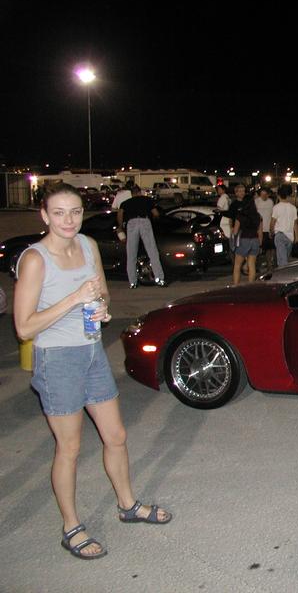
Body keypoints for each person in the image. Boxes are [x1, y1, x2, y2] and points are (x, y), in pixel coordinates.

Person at [13, 184, 171, 561]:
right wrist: (74, 299)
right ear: (44, 215)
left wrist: (101, 307)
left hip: (92, 352)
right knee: (69, 447)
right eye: (59, 212)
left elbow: (102, 294)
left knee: (116, 436)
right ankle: (71, 527)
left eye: (75, 211)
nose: (68, 220)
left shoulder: (87, 246)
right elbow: (24, 327)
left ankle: (127, 504)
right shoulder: (35, 259)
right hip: (57, 360)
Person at [118, 185, 166, 288]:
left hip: (131, 223)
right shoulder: (147, 200)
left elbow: (120, 214)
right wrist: (156, 219)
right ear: (140, 192)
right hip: (144, 221)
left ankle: (133, 282)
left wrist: (120, 227)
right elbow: (156, 213)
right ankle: (159, 279)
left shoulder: (125, 203)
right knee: (152, 252)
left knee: (131, 254)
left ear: (132, 194)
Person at [231, 195, 263, 284]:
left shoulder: (240, 216)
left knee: (237, 265)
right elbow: (260, 232)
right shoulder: (258, 216)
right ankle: (250, 286)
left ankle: (236, 286)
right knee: (251, 265)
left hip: (244, 240)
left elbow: (235, 231)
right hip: (255, 240)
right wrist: (260, 245)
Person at [270, 187, 298, 267]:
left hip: (280, 235)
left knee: (282, 260)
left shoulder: (276, 207)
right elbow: (295, 223)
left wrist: (271, 232)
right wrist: (297, 236)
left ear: (278, 195)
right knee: (285, 258)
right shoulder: (293, 208)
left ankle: (283, 273)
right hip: (290, 236)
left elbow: (272, 222)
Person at [254, 187, 275, 272]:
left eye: (266, 194)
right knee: (258, 248)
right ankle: (257, 265)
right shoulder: (256, 201)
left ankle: (269, 264)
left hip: (268, 228)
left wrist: (271, 228)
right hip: (259, 229)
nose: (264, 196)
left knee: (269, 248)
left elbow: (272, 215)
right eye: (262, 194)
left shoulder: (270, 202)